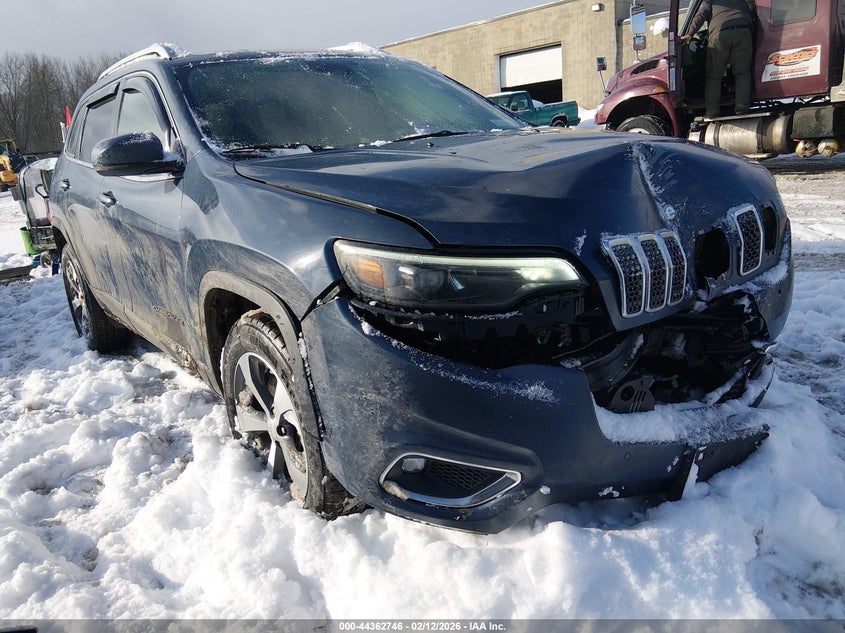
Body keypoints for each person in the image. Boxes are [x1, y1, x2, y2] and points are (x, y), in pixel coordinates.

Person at [681, 0, 756, 119]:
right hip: (743, 32)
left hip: (720, 34)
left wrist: (690, 34)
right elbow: (752, 11)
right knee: (742, 73)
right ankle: (742, 109)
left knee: (714, 76)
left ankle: (712, 112)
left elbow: (701, 14)